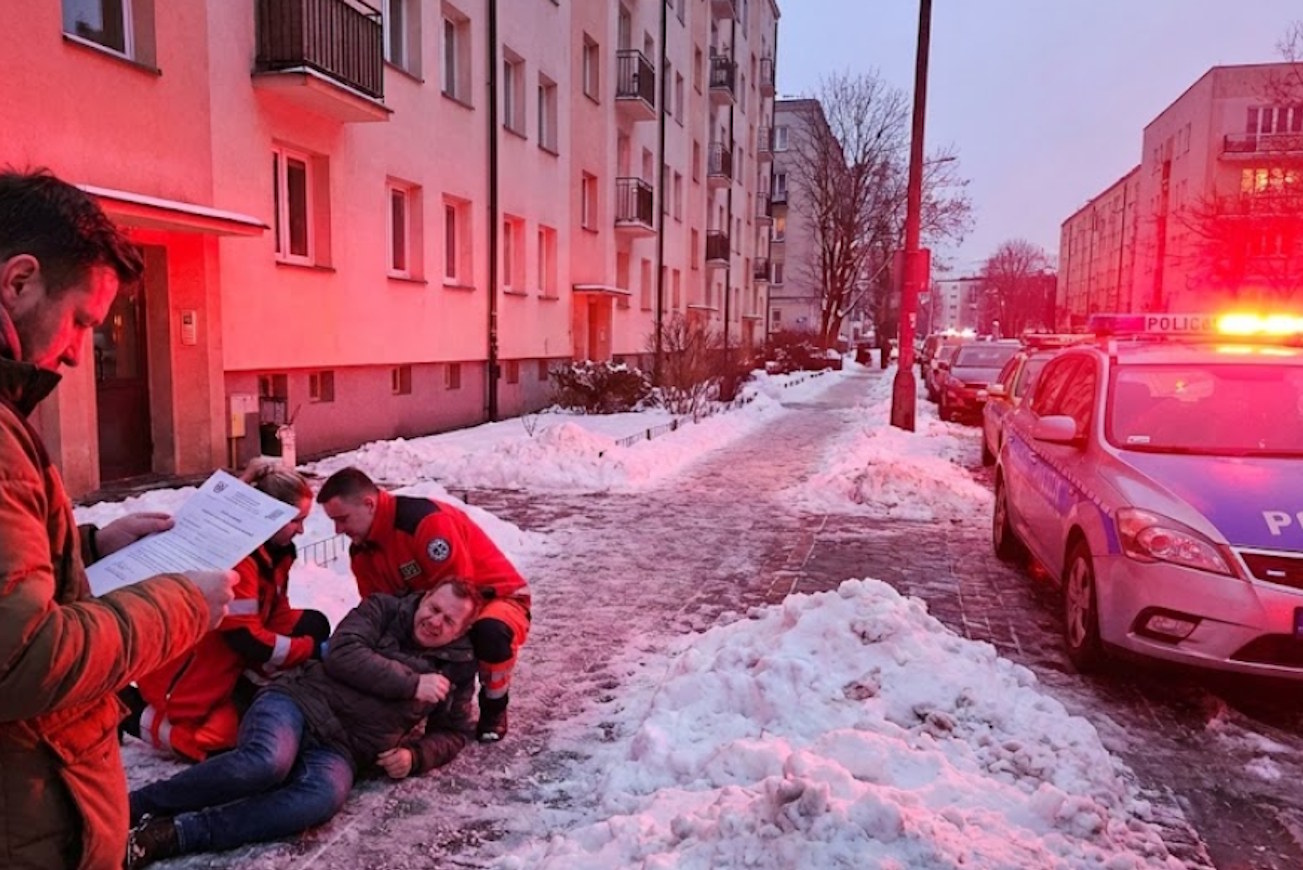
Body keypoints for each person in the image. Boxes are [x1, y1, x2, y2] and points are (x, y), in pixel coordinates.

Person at [0, 168, 237, 869]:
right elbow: (20, 658)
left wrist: (89, 545)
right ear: (18, 281)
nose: (78, 352)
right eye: (80, 320)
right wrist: (182, 603)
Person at [125, 580, 482, 867]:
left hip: (345, 748)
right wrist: (411, 683)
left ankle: (177, 834)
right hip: (297, 701)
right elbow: (343, 653)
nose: (435, 622)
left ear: (460, 632)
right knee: (266, 762)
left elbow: (454, 731)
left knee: (320, 799)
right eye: (434, 608)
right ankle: (135, 807)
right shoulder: (382, 608)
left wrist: (416, 756)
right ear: (423, 598)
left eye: (449, 621)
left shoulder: (458, 667)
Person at [121, 460, 332, 762]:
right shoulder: (240, 559)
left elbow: (275, 612)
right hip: (190, 676)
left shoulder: (273, 553)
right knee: (217, 748)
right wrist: (307, 649)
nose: (302, 530)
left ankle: (254, 685)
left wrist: (312, 637)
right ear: (270, 516)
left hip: (227, 659)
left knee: (315, 623)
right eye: (295, 521)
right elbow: (245, 637)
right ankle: (131, 712)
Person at [316, 467, 531, 743]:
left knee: (486, 632)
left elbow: (458, 597)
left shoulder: (424, 524)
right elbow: (381, 611)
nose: (338, 530)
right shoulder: (362, 551)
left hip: (494, 598)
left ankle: (494, 706)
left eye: (342, 519)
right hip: (437, 606)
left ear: (369, 504)